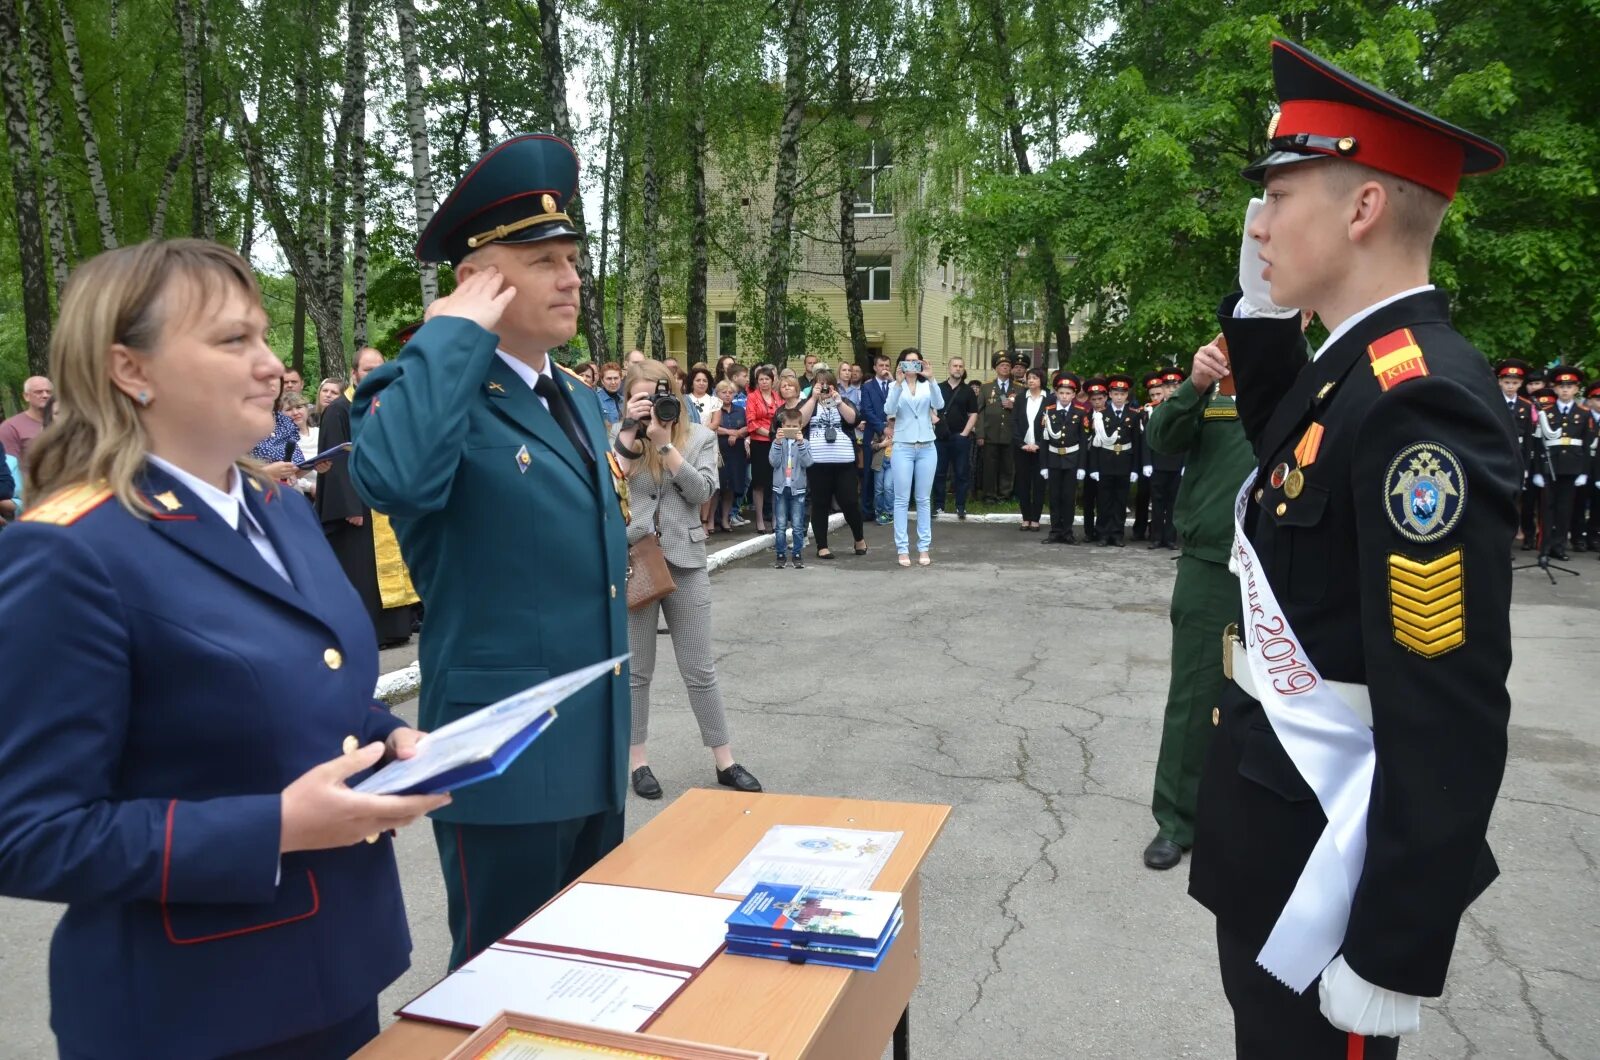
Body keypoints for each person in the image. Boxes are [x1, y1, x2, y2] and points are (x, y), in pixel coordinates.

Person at [0, 239, 447, 1059]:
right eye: (232, 340)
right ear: (131, 371)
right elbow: (26, 832)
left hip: (335, 970)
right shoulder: (70, 549)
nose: (272, 364)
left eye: (264, 337)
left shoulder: (272, 508)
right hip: (190, 1015)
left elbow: (317, 691)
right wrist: (274, 827)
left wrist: (390, 748)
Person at [1187, 39, 1519, 1059]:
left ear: (1362, 208)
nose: (1259, 219)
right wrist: (1256, 308)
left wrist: (1392, 946)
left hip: (1334, 866)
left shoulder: (1421, 400)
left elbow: (1447, 705)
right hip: (1277, 828)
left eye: (1279, 193)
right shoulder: (1357, 370)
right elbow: (1292, 438)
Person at [348, 133, 631, 972]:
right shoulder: (428, 392)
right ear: (479, 278)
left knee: (584, 985)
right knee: (501, 989)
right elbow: (393, 478)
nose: (572, 277)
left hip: (593, 748)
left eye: (573, 256)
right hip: (503, 767)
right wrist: (446, 338)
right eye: (543, 259)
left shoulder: (572, 398)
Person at [615, 360, 762, 798]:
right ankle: (639, 763)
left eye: (658, 396)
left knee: (699, 668)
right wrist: (629, 436)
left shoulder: (698, 436)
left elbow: (701, 493)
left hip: (686, 560)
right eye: (639, 397)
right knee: (637, 672)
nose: (652, 406)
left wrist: (664, 447)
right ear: (627, 400)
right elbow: (607, 489)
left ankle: (725, 761)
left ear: (674, 397)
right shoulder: (616, 441)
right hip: (634, 562)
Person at [1140, 345, 1255, 872]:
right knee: (1195, 694)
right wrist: (1194, 385)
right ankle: (1178, 821)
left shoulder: (1323, 369)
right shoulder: (1223, 360)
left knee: (1287, 699)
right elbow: (1162, 438)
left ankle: (1264, 819)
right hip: (1214, 565)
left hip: (1291, 569)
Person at [799, 368, 868, 558]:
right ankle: (822, 546)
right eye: (818, 384)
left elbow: (853, 419)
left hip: (843, 461)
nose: (823, 389)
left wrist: (837, 401)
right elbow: (800, 422)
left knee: (850, 502)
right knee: (820, 503)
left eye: (826, 385)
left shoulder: (843, 401)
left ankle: (859, 539)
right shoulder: (809, 403)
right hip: (818, 462)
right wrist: (813, 399)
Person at [885, 347, 944, 566]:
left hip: (927, 445)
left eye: (915, 361)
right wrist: (898, 383)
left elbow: (939, 405)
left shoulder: (927, 385)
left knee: (922, 499)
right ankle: (902, 549)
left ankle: (924, 547)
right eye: (907, 361)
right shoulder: (894, 386)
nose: (911, 365)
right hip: (903, 445)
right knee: (901, 499)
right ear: (901, 364)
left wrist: (932, 377)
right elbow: (889, 410)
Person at [1533, 365, 1592, 561]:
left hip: (1571, 468)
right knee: (1547, 509)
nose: (1565, 390)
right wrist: (1538, 472)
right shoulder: (1546, 413)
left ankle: (1559, 546)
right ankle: (1545, 546)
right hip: (1550, 467)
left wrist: (1584, 472)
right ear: (1555, 389)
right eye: (1561, 386)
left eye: (1570, 386)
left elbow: (1587, 445)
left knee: (1565, 509)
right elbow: (1539, 444)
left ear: (1576, 389)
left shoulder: (1584, 414)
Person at [1088, 373, 1142, 546]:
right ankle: (1103, 534)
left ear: (1127, 396)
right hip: (1105, 462)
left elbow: (1136, 444)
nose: (1119, 397)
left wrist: (1135, 469)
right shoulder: (1101, 414)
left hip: (1124, 463)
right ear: (1110, 395)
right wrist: (1094, 468)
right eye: (1116, 394)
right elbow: (1096, 444)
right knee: (1104, 501)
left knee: (1120, 500)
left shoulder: (1134, 415)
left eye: (1122, 394)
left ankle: (1117, 534)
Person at [1038, 372, 1091, 543]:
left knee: (1069, 497)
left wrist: (1082, 466)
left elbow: (1083, 442)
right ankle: (1055, 531)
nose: (1064, 396)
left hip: (1072, 459)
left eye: (1068, 393)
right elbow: (1044, 440)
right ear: (1056, 393)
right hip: (1054, 459)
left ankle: (1068, 532)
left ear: (1074, 394)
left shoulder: (1081, 412)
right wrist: (1044, 465)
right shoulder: (1049, 411)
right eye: (1061, 392)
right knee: (1054, 497)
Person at [1493, 359, 1539, 549]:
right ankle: (1502, 542)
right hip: (1499, 455)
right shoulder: (1494, 402)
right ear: (1500, 382)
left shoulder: (1526, 406)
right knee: (1500, 500)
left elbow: (1529, 440)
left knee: (1519, 500)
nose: (1510, 386)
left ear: (1520, 384)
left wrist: (1526, 466)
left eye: (1514, 383)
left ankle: (1523, 537)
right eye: (1507, 382)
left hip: (1518, 456)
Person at [1145, 368, 1188, 549]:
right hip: (1158, 462)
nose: (1171, 390)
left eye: (1175, 386)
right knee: (1157, 502)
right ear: (1162, 389)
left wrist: (1186, 463)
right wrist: (1147, 462)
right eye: (1168, 387)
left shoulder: (1187, 408)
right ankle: (1156, 537)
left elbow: (1189, 437)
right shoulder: (1153, 410)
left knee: (1173, 503)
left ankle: (1170, 538)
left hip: (1178, 463)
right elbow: (1146, 439)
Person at [933, 355, 979, 518]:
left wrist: (965, 433)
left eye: (960, 366)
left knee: (961, 472)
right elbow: (929, 408)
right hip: (940, 438)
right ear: (949, 368)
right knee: (939, 472)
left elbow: (973, 414)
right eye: (955, 366)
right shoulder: (937, 388)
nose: (958, 368)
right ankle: (939, 505)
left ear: (963, 369)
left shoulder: (968, 391)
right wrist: (936, 421)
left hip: (960, 437)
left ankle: (961, 506)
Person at [768, 407, 812, 567]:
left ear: (800, 427)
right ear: (782, 427)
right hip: (780, 488)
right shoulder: (777, 442)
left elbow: (808, 463)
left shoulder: (805, 443)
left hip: (798, 489)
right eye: (789, 427)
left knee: (797, 525)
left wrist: (800, 444)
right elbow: (773, 462)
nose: (792, 430)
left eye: (795, 427)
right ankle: (780, 555)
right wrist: (778, 442)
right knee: (780, 525)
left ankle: (797, 555)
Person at [745, 364, 782, 533]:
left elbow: (782, 417)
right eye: (761, 379)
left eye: (767, 379)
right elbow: (751, 421)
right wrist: (769, 433)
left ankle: (776, 518)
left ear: (772, 381)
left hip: (776, 442)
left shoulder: (778, 397)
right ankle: (759, 520)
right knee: (759, 482)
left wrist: (776, 435)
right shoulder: (752, 397)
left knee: (776, 481)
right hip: (759, 441)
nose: (764, 382)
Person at [1012, 367, 1050, 531]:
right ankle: (1025, 517)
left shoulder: (1050, 399)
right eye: (1029, 378)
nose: (1031, 380)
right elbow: (1014, 423)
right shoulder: (1020, 398)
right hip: (1022, 448)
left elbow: (1052, 425)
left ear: (1042, 380)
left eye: (1035, 378)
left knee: (1039, 485)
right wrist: (1022, 444)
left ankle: (1035, 518)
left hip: (1041, 449)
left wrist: (1039, 444)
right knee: (1023, 484)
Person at [978, 353, 1017, 502]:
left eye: (1008, 365)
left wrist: (1014, 406)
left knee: (1008, 466)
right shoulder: (986, 387)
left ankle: (1004, 495)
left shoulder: (1019, 389)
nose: (1005, 367)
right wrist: (980, 434)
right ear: (996, 368)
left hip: (1010, 433)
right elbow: (979, 411)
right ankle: (989, 495)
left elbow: (1023, 412)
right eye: (1002, 365)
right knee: (990, 467)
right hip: (990, 433)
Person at [858, 352, 892, 518]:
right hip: (873, 433)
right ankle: (867, 509)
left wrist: (894, 382)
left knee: (890, 473)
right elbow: (866, 410)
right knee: (870, 474)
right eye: (881, 366)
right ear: (875, 368)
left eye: (887, 366)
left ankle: (887, 508)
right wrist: (882, 427)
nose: (884, 369)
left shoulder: (895, 385)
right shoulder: (868, 386)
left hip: (894, 433)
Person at [714, 379, 748, 532]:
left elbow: (747, 426)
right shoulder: (714, 408)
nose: (727, 395)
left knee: (730, 487)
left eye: (730, 392)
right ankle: (709, 521)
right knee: (716, 487)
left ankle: (725, 519)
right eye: (724, 392)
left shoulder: (740, 410)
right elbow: (714, 426)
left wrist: (738, 434)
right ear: (717, 394)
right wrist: (730, 432)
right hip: (719, 449)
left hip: (735, 451)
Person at [0, 375, 53, 462]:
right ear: (26, 396)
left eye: (49, 392)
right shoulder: (10, 427)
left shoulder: (63, 422)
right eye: (38, 392)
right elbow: (9, 467)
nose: (45, 395)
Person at [1080, 378, 1107, 541]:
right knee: (1089, 499)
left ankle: (1103, 529)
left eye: (1100, 398)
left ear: (1106, 398)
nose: (1097, 402)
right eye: (1094, 399)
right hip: (1090, 461)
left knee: (1104, 499)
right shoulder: (1085, 416)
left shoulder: (1112, 414)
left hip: (1107, 461)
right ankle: (1089, 531)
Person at [282, 390, 319, 496]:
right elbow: (284, 476)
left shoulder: (319, 432)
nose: (295, 413)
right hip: (302, 493)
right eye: (289, 409)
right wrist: (309, 486)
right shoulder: (281, 441)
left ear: (307, 409)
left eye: (299, 407)